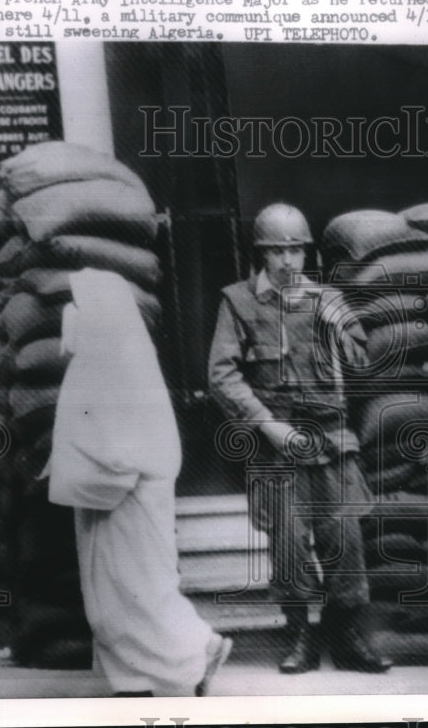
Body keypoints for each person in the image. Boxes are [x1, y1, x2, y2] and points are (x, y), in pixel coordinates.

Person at [208, 203, 391, 675]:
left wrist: (335, 327)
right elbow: (222, 376)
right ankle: (301, 635)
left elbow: (361, 366)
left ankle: (345, 635)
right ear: (261, 255)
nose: (289, 261)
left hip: (332, 441)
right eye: (278, 252)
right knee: (289, 544)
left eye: (296, 250)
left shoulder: (329, 299)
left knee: (345, 540)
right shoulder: (238, 302)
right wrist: (268, 426)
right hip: (276, 445)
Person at [48, 267, 231, 697]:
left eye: (79, 307)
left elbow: (126, 449)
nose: (70, 315)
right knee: (110, 599)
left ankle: (195, 652)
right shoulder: (92, 364)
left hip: (127, 499)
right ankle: (145, 673)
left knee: (137, 595)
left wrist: (76, 460)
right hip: (99, 495)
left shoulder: (123, 366)